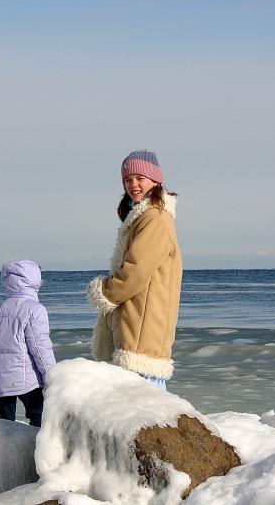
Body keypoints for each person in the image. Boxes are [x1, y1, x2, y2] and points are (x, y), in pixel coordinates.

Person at [87, 150, 183, 390]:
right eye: (128, 180)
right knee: (140, 404)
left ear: (155, 180)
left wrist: (105, 293)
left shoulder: (155, 217)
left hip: (144, 324)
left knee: (145, 402)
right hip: (137, 319)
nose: (133, 185)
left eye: (140, 178)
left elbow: (136, 270)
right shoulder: (143, 216)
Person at [0, 260, 55, 426]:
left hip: (0, 378)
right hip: (27, 378)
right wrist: (52, 376)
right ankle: (35, 450)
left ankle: (4, 450)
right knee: (38, 417)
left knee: (5, 422)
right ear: (34, 280)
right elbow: (40, 347)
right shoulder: (35, 309)